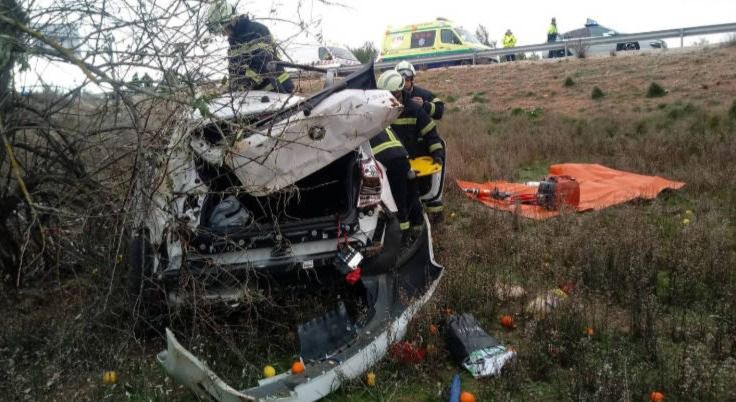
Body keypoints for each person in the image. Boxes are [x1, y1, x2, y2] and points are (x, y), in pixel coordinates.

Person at [393, 61, 446, 219]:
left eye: (408, 78)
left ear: (412, 79)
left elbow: (440, 111)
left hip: (422, 143)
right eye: (402, 78)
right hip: (402, 147)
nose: (405, 81)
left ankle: (434, 206)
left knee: (431, 174)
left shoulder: (422, 94)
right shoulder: (392, 97)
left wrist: (425, 105)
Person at [206, 1, 294, 93]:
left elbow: (263, 65)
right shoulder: (233, 41)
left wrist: (242, 86)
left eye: (223, 29)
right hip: (254, 95)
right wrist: (231, 88)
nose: (223, 34)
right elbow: (235, 70)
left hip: (278, 88)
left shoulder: (257, 31)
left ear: (231, 21)